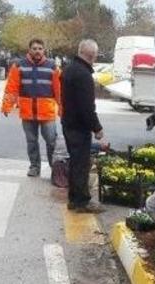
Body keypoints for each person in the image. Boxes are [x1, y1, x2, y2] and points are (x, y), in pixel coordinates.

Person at [2, 38, 62, 178]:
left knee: (52, 141)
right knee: (31, 141)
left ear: (44, 50)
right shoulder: (19, 66)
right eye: (34, 48)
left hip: (46, 112)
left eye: (40, 48)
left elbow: (59, 90)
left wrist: (62, 108)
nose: (37, 51)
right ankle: (35, 167)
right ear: (29, 50)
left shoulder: (52, 66)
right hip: (27, 112)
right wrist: (7, 105)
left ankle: (55, 168)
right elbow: (12, 88)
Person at [61, 39, 106, 213]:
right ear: (92, 55)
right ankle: (82, 202)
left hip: (69, 122)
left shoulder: (69, 69)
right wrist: (97, 128)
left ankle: (74, 199)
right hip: (79, 127)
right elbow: (86, 107)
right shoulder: (83, 75)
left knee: (75, 163)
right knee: (81, 164)